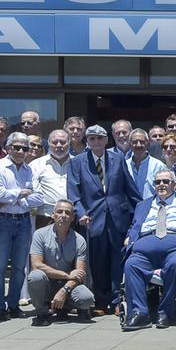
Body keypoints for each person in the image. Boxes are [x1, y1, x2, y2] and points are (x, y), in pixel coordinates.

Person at [66, 124, 141, 313]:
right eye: (92, 138)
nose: (96, 142)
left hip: (117, 218)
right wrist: (80, 213)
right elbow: (73, 193)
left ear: (106, 140)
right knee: (97, 262)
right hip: (92, 219)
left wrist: (142, 210)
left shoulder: (118, 159)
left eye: (100, 138)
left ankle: (116, 301)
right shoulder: (77, 162)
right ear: (87, 141)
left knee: (117, 260)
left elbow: (130, 188)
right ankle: (101, 301)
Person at [122, 169, 176, 330]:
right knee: (131, 265)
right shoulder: (142, 205)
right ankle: (140, 313)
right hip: (144, 247)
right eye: (157, 182)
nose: (161, 184)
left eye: (166, 181)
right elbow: (134, 226)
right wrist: (129, 237)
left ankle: (165, 311)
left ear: (174, 185)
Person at [0, 132, 43, 321]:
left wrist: (15, 198)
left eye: (25, 148)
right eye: (17, 147)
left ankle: (13, 305)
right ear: (8, 148)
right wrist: (22, 193)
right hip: (3, 220)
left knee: (20, 267)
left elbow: (39, 197)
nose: (21, 151)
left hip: (24, 221)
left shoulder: (30, 170)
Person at [26, 199, 95, 326]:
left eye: (67, 213)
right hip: (47, 282)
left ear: (72, 218)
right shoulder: (39, 234)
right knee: (35, 277)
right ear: (53, 215)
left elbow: (80, 273)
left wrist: (64, 290)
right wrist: (66, 275)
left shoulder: (79, 240)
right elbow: (36, 265)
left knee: (87, 299)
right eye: (59, 212)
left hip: (68, 285)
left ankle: (63, 307)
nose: (63, 215)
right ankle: (42, 312)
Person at [29, 129, 71, 229]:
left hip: (70, 216)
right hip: (45, 216)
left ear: (69, 143)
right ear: (48, 144)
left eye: (63, 142)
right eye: (54, 142)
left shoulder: (77, 163)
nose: (59, 145)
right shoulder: (36, 165)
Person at [125, 128, 169, 200]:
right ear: (130, 144)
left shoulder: (159, 166)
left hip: (152, 206)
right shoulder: (124, 165)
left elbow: (165, 191)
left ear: (148, 144)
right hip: (130, 206)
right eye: (135, 142)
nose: (138, 145)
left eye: (142, 142)